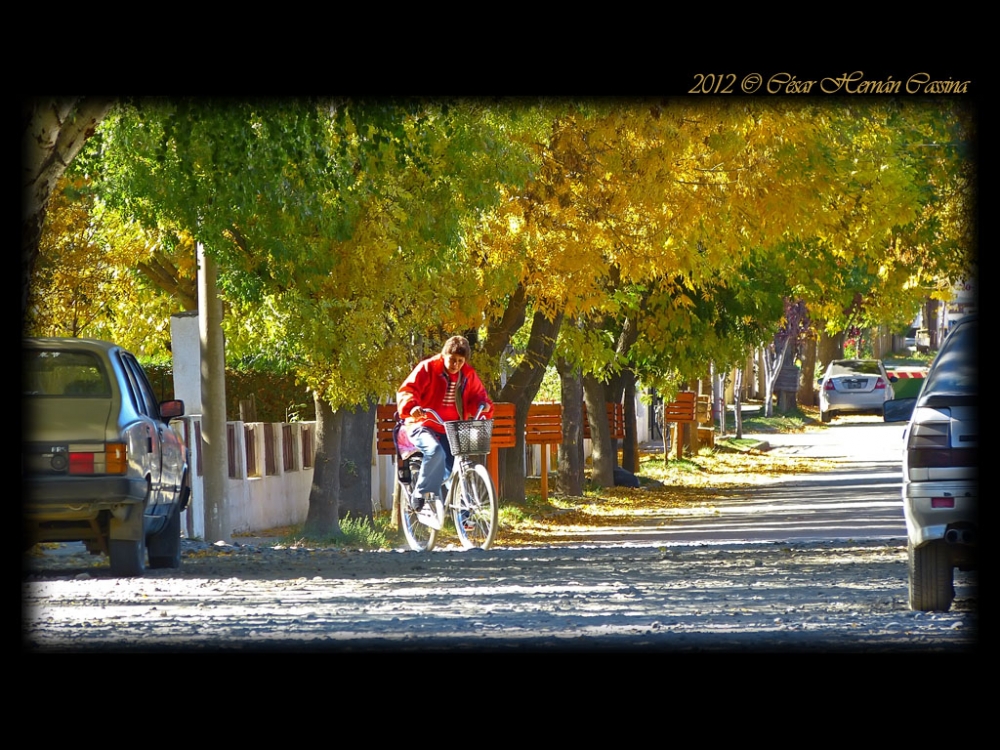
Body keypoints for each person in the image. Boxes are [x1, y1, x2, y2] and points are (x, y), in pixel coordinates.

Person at [397, 336, 494, 525]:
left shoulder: (467, 375)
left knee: (455, 467)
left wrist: (485, 405)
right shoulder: (428, 368)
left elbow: (479, 395)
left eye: (460, 361)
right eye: (452, 359)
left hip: (450, 427)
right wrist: (412, 407)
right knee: (435, 452)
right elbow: (408, 390)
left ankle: (464, 513)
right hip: (423, 424)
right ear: (444, 355)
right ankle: (421, 494)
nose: (456, 364)